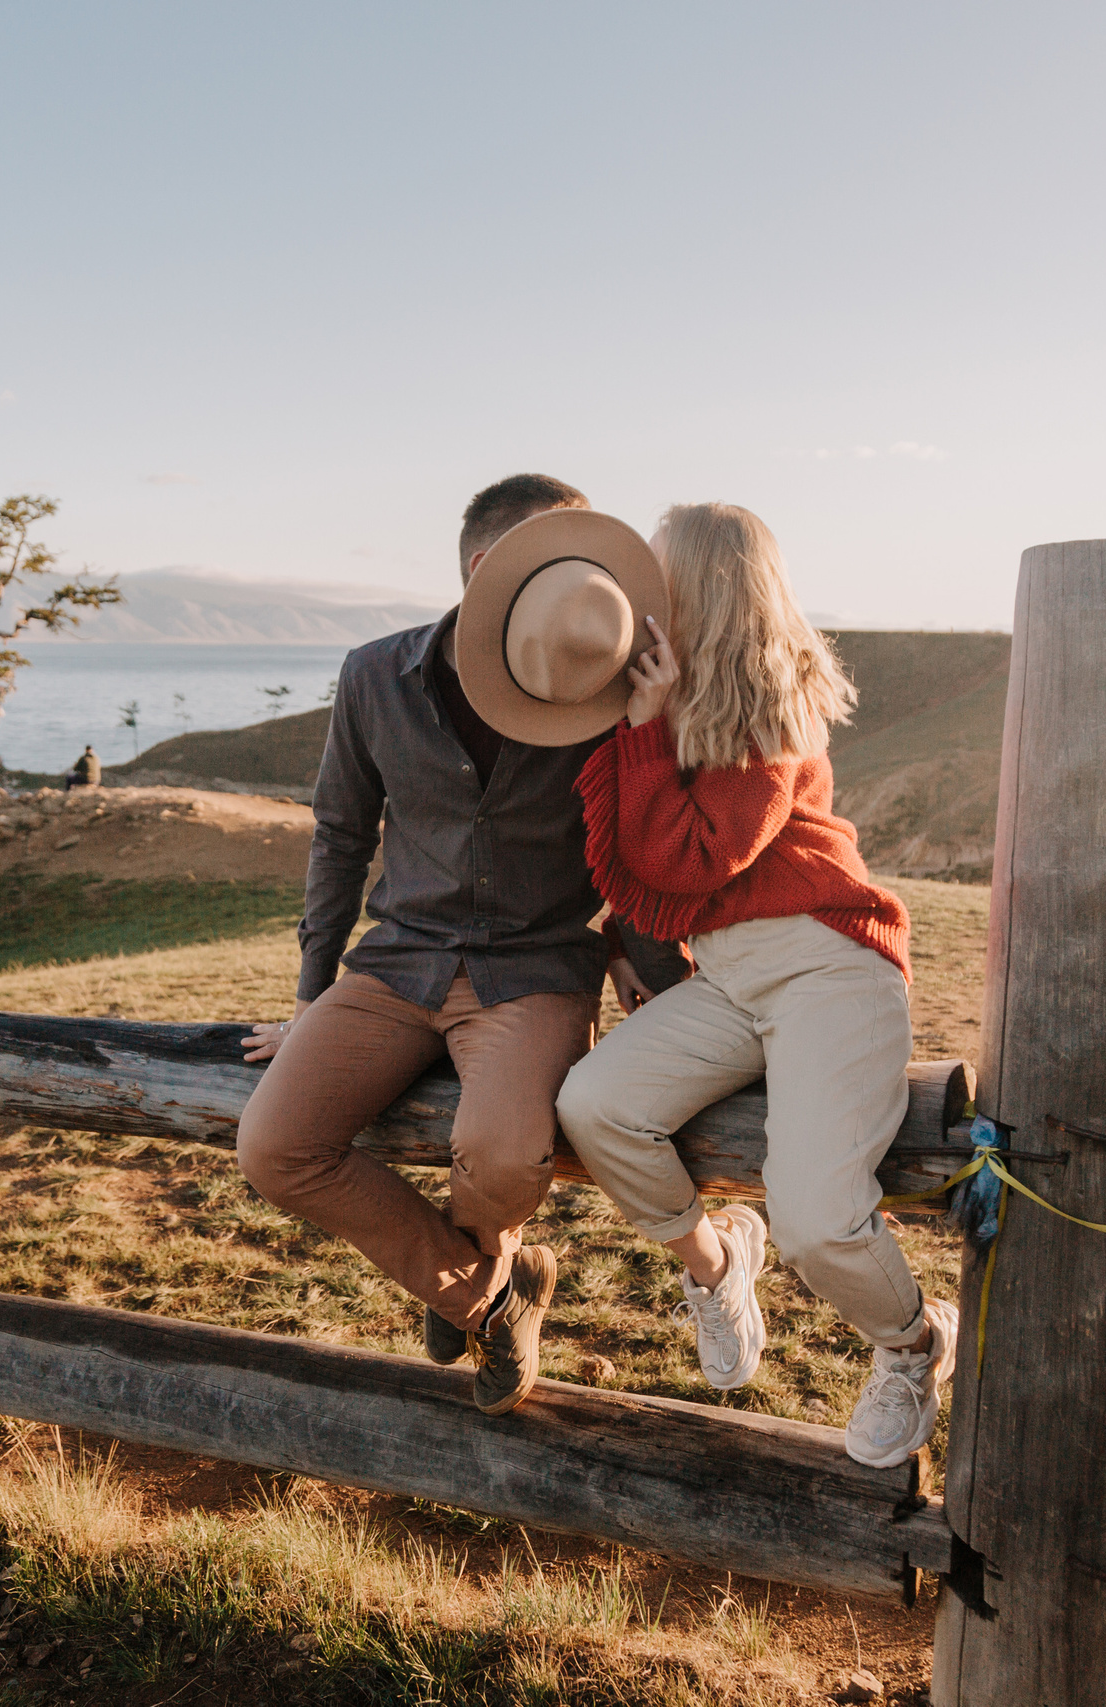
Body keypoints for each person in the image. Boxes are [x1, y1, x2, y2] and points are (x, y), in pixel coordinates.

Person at [234, 476, 667, 1415]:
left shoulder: (604, 689)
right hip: (398, 961)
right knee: (273, 1146)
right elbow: (341, 837)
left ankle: (463, 1284)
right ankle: (493, 1293)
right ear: (484, 571)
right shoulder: (372, 675)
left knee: (505, 1154)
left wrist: (634, 945)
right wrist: (312, 995)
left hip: (536, 969)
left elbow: (641, 841)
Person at [552, 501, 956, 1470]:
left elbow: (693, 856)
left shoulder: (777, 713)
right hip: (730, 978)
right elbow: (637, 870)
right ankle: (720, 1261)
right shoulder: (666, 693)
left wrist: (645, 733)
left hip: (829, 964)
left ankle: (912, 1345)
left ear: (703, 589)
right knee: (594, 1105)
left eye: (659, 576)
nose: (643, 595)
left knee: (817, 1216)